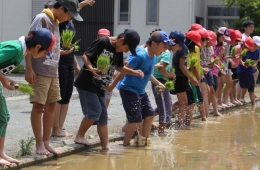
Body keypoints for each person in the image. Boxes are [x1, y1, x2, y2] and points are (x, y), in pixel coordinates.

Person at [25, 0, 83, 155]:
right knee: (38, 106)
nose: (69, 19)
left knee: (51, 106)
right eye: (70, 15)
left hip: (53, 71)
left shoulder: (56, 21)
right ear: (62, 9)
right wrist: (29, 68)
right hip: (40, 71)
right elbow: (29, 42)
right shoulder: (42, 18)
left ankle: (46, 142)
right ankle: (39, 145)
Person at [74, 29, 143, 150]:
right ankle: (79, 136)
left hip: (100, 86)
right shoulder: (102, 42)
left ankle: (106, 147)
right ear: (121, 40)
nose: (126, 51)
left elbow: (120, 67)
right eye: (126, 48)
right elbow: (86, 55)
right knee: (94, 112)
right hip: (87, 83)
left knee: (103, 117)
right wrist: (91, 68)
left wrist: (133, 72)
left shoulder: (118, 50)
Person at [107, 30, 175, 146]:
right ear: (154, 44)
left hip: (140, 91)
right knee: (135, 119)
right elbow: (123, 70)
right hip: (129, 89)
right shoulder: (141, 55)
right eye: (164, 45)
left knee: (149, 115)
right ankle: (126, 145)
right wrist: (112, 86)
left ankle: (143, 142)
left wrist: (158, 83)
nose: (165, 49)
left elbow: (148, 74)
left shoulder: (153, 57)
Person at [0, 28, 56, 166]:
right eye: (45, 52)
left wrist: (6, 79)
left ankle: (0, 152)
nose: (44, 55)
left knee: (3, 116)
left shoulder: (22, 51)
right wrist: (3, 80)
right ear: (37, 47)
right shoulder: (16, 49)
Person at [52, 0, 95, 138]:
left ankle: (60, 128)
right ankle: (55, 128)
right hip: (60, 62)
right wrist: (81, 4)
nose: (71, 16)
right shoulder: (60, 21)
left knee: (67, 95)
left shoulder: (70, 22)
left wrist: (76, 65)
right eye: (71, 13)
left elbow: (73, 12)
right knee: (59, 95)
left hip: (69, 62)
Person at [237, 37, 260, 105]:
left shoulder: (257, 51)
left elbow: (256, 60)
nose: (257, 47)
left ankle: (253, 105)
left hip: (250, 70)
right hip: (242, 69)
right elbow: (239, 58)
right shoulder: (245, 49)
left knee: (251, 87)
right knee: (246, 84)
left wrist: (255, 64)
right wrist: (243, 63)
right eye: (256, 45)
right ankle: (241, 98)